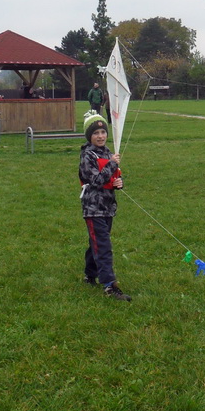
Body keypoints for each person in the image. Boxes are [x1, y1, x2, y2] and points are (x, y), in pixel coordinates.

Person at [79, 110, 131, 301]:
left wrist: (119, 183)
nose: (100, 136)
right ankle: (110, 285)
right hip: (93, 208)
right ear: (89, 136)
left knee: (97, 242)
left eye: (103, 132)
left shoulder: (108, 153)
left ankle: (89, 275)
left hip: (108, 206)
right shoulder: (87, 156)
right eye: (95, 133)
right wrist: (111, 164)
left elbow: (113, 177)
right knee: (103, 245)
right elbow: (96, 181)